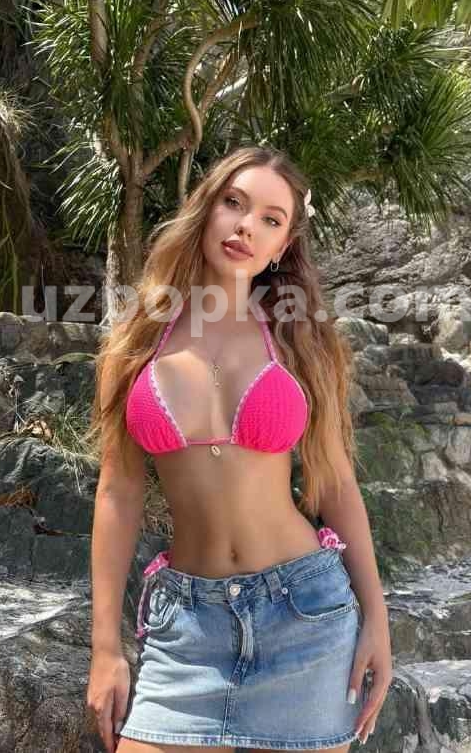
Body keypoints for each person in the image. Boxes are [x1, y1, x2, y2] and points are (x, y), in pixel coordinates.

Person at [85, 144, 392, 753]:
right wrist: (105, 647)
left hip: (306, 617)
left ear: (282, 246)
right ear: (206, 209)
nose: (246, 226)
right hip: (186, 630)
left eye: (271, 219)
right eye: (234, 203)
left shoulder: (301, 340)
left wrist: (376, 619)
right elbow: (117, 494)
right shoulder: (134, 343)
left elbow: (334, 484)